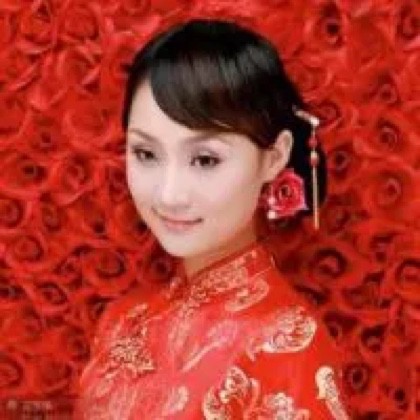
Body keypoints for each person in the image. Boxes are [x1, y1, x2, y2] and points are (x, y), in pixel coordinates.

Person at [74, 18, 352, 419]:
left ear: (273, 158)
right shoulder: (121, 321)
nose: (169, 195)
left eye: (205, 160)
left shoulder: (286, 343)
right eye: (146, 154)